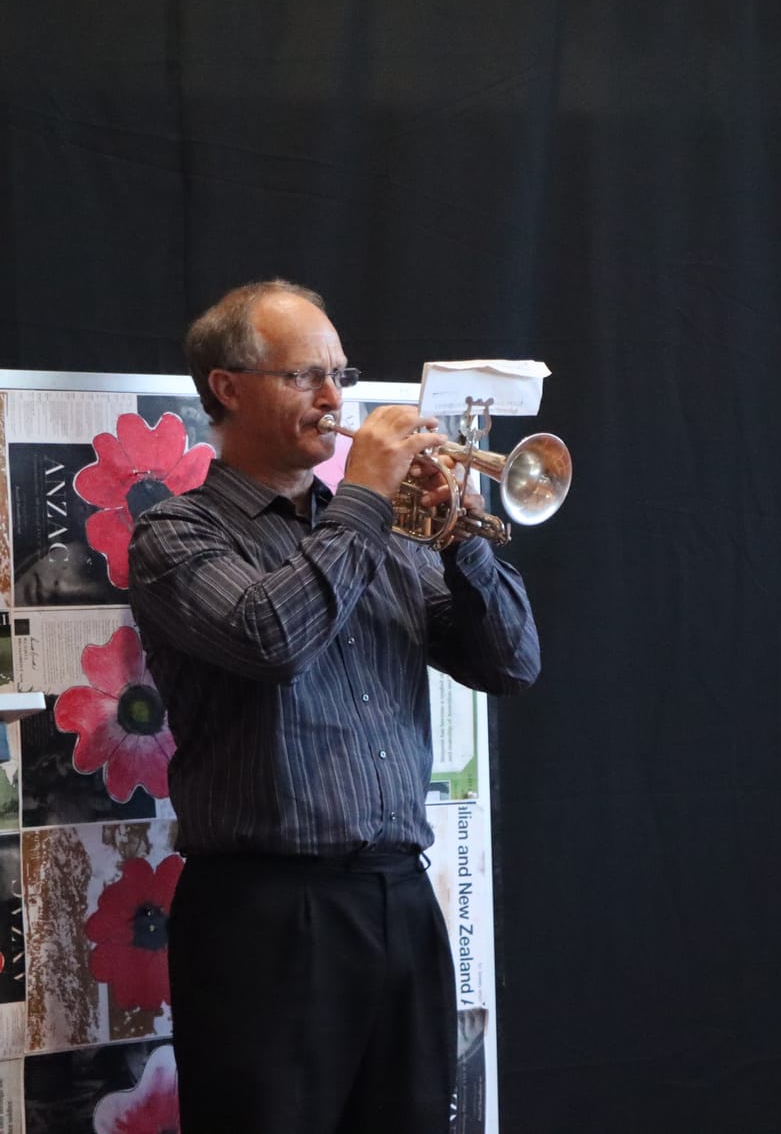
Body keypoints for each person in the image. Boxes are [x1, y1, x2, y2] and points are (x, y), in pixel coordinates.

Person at [127, 279, 541, 1134]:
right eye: (304, 375)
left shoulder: (388, 534)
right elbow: (271, 636)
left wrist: (463, 540)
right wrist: (364, 494)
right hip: (264, 916)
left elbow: (512, 664)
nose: (332, 398)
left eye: (340, 376)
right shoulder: (176, 533)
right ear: (227, 387)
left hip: (398, 898)